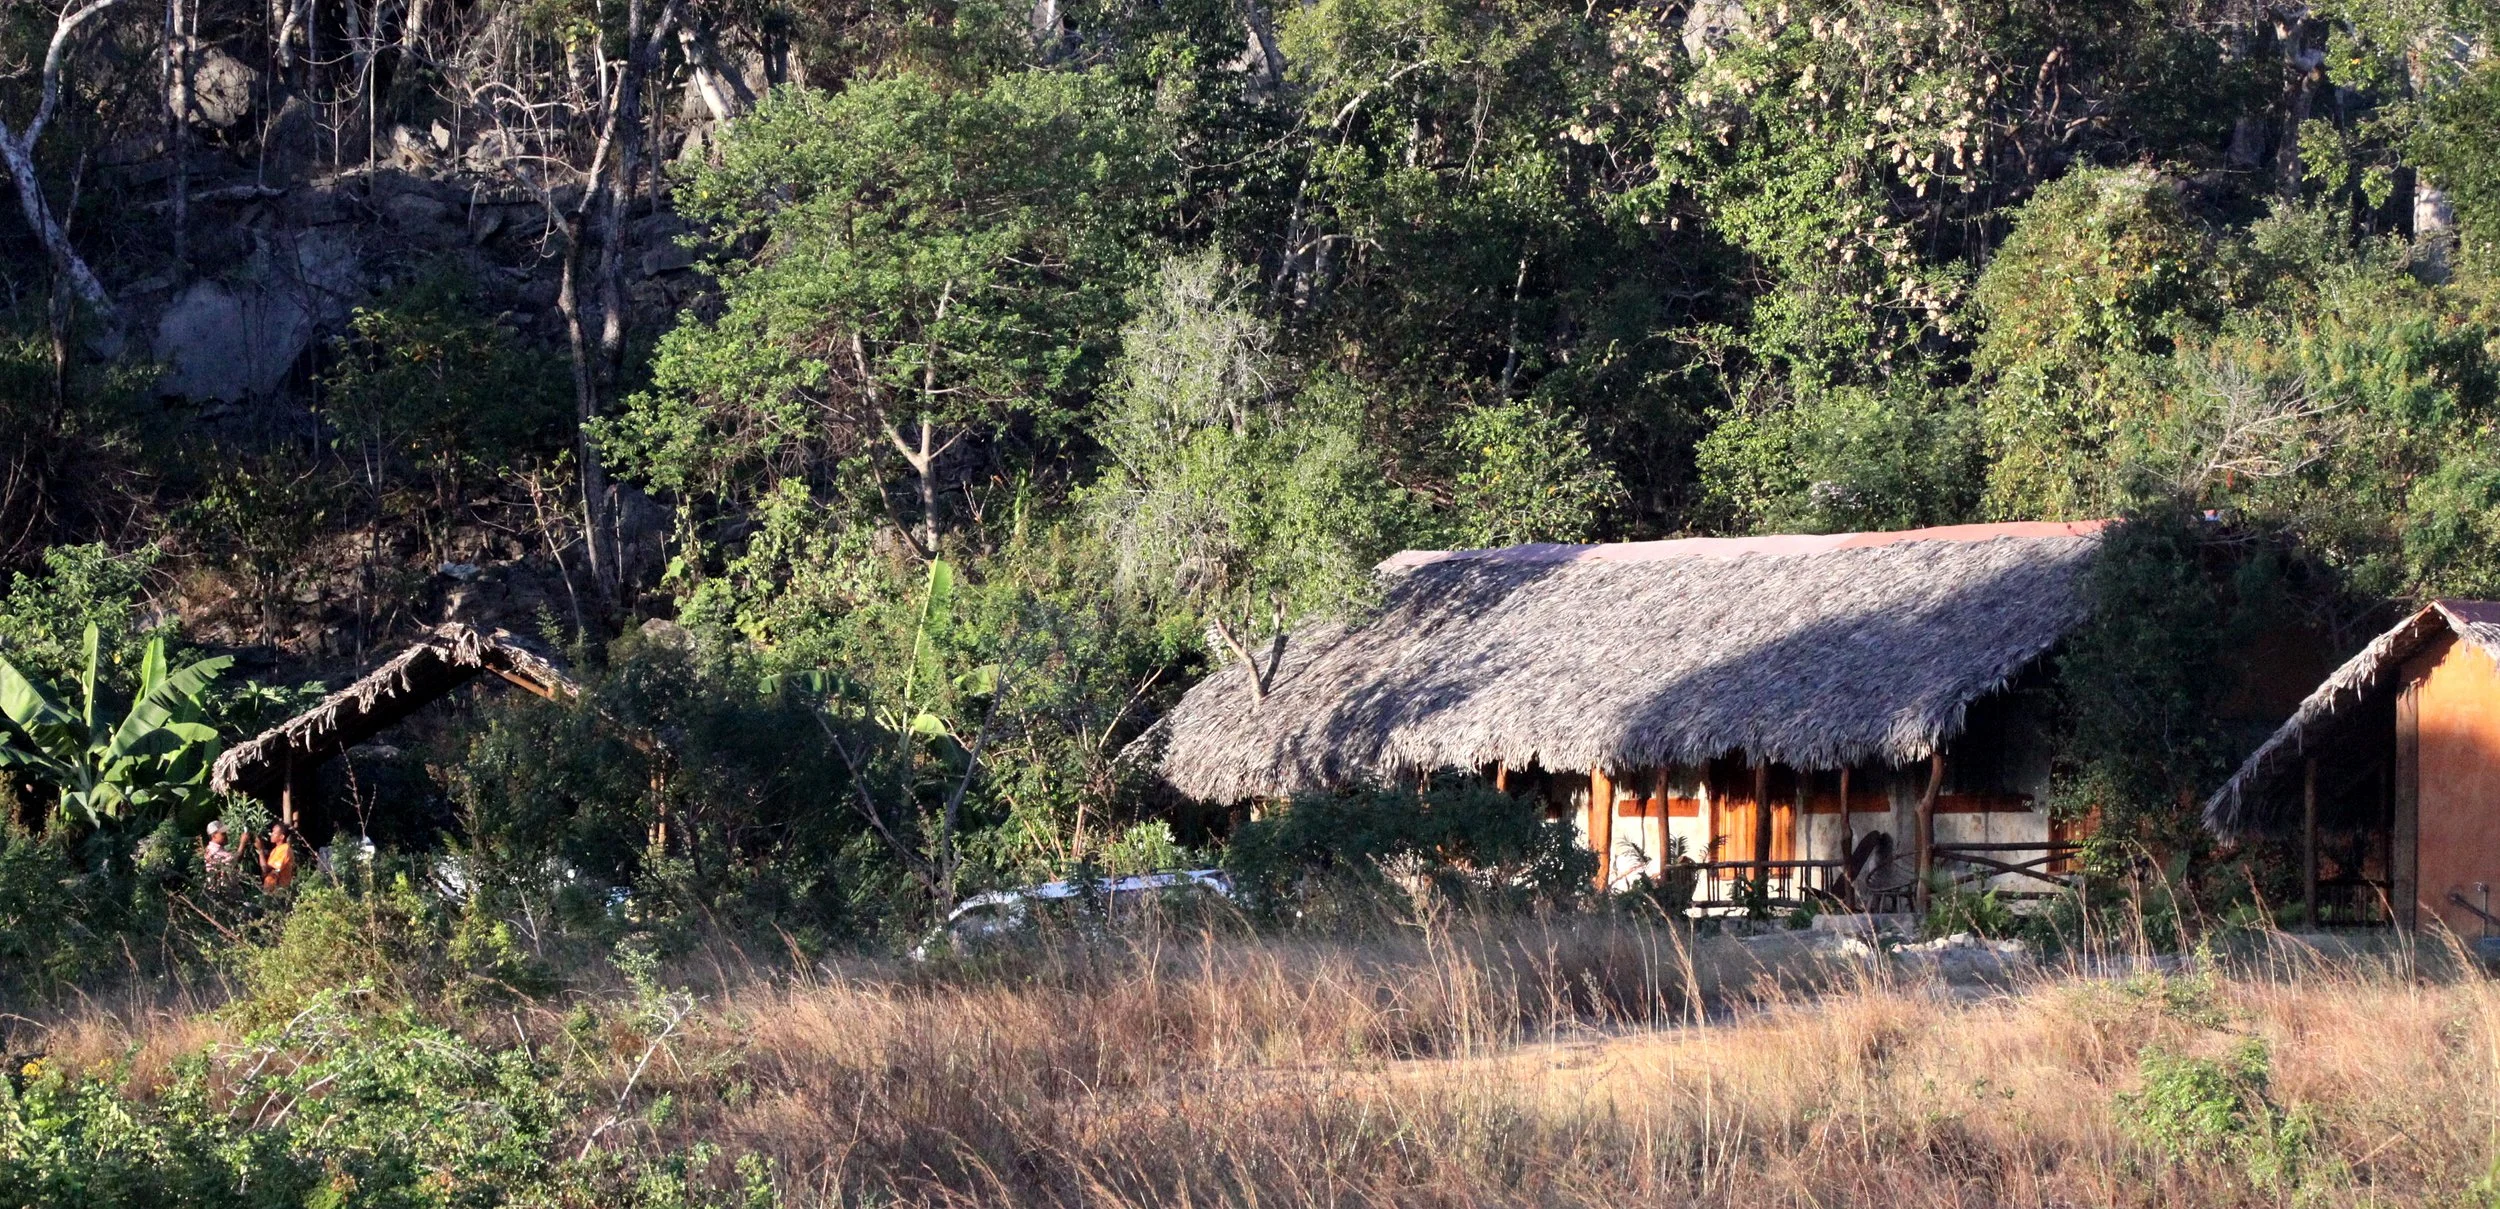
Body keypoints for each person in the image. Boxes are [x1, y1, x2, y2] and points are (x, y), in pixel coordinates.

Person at [261, 823, 298, 892]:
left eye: (274, 833)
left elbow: (268, 869)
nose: (271, 834)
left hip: (278, 890)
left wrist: (260, 851)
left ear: (281, 837)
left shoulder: (285, 850)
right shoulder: (275, 850)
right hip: (270, 889)